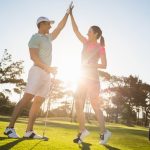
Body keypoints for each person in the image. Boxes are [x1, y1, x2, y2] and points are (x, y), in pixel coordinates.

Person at [4, 6, 71, 139]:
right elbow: (33, 57)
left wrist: (67, 13)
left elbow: (60, 27)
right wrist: (48, 68)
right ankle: (9, 128)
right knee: (27, 98)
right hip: (37, 71)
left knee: (38, 101)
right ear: (42, 24)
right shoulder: (35, 38)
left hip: (46, 74)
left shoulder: (48, 38)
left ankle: (29, 131)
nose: (51, 26)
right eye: (48, 24)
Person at [69, 6, 112, 145]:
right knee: (78, 103)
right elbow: (75, 31)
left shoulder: (101, 47)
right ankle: (83, 131)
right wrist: (71, 15)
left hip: (93, 79)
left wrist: (90, 65)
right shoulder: (86, 42)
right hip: (82, 78)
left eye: (89, 31)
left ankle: (104, 132)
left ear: (95, 34)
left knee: (95, 105)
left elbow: (104, 64)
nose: (87, 32)